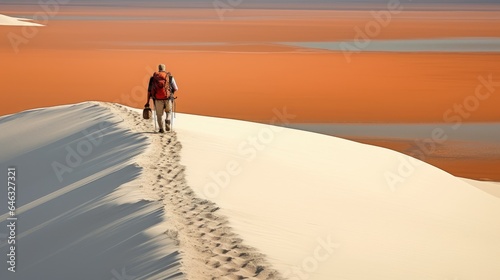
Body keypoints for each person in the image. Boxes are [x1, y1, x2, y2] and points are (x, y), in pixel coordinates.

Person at [146, 64, 178, 133]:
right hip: (168, 98)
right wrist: (171, 94)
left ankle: (161, 129)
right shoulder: (169, 77)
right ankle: (167, 120)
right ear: (164, 69)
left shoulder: (153, 78)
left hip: (157, 99)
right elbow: (176, 88)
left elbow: (149, 91)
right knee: (168, 111)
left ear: (158, 69)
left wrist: (147, 102)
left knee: (159, 115)